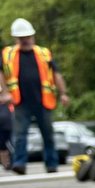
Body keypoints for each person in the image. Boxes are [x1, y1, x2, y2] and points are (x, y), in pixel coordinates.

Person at [2, 18, 70, 175]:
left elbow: (57, 74)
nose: (25, 40)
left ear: (32, 36)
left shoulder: (44, 53)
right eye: (21, 38)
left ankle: (51, 164)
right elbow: (1, 73)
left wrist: (63, 93)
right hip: (20, 102)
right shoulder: (8, 54)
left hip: (43, 101)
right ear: (16, 39)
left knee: (48, 134)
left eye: (27, 37)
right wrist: (4, 92)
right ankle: (19, 163)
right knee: (20, 135)